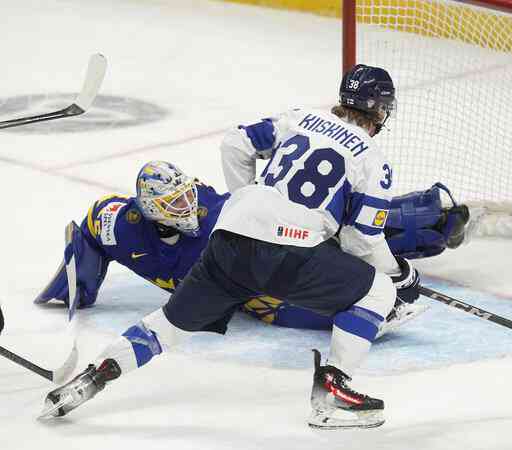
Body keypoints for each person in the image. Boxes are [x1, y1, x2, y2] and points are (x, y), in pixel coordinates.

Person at [40, 65, 470, 429]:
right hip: (291, 255)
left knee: (165, 327)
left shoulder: (299, 118)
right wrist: (399, 275)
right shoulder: (373, 159)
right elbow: (362, 239)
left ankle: (93, 377)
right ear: (381, 111)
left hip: (228, 241)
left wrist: (249, 202)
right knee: (377, 291)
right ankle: (332, 392)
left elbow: (235, 142)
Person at [35, 162, 468, 337]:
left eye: (187, 195)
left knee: (339, 241)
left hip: (271, 244)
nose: (186, 206)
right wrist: (77, 287)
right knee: (263, 304)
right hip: (237, 290)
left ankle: (426, 216)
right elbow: (88, 230)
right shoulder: (119, 223)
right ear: (149, 210)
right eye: (172, 204)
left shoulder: (215, 214)